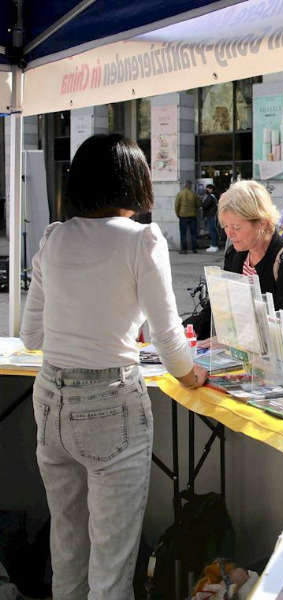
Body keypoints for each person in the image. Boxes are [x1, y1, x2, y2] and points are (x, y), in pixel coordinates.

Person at [20, 134, 208, 599]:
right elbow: (169, 340)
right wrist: (194, 375)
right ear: (135, 181)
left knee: (67, 551)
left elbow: (31, 337)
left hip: (49, 401)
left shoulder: (54, 237)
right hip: (110, 406)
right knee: (111, 563)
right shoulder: (143, 239)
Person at [193, 180, 283, 351]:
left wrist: (234, 342)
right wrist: (189, 329)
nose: (229, 233)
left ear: (262, 222)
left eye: (236, 227)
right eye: (226, 226)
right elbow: (219, 305)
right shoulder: (235, 254)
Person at [174, 180, 201, 254]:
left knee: (183, 233)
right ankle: (194, 249)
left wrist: (177, 214)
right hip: (193, 216)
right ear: (190, 186)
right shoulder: (193, 194)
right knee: (193, 233)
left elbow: (176, 205)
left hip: (183, 216)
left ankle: (184, 250)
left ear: (184, 185)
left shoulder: (180, 194)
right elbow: (198, 205)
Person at [202, 183, 219, 253]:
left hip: (211, 216)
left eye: (207, 189)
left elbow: (205, 205)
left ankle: (214, 245)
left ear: (211, 189)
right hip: (212, 215)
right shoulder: (214, 196)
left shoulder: (210, 197)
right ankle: (214, 245)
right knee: (213, 230)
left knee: (212, 230)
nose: (206, 190)